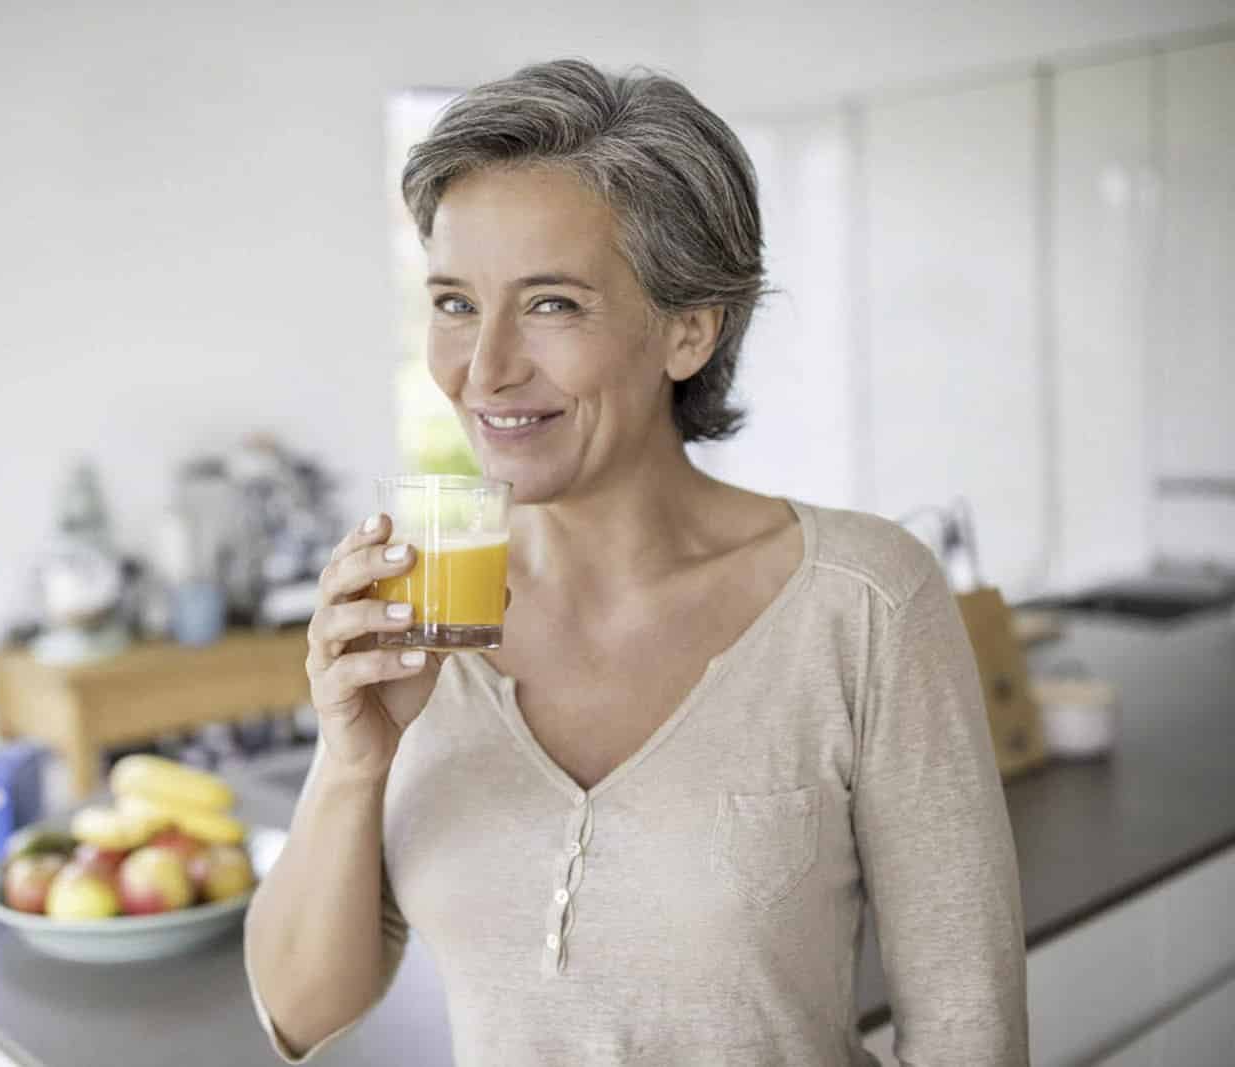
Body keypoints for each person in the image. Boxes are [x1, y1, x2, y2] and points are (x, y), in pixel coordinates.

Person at [245, 57, 1027, 1066]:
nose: (483, 371)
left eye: (551, 304)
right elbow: (301, 1015)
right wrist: (354, 758)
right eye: (452, 303)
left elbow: (969, 1023)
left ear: (688, 329)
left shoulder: (864, 599)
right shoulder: (421, 612)